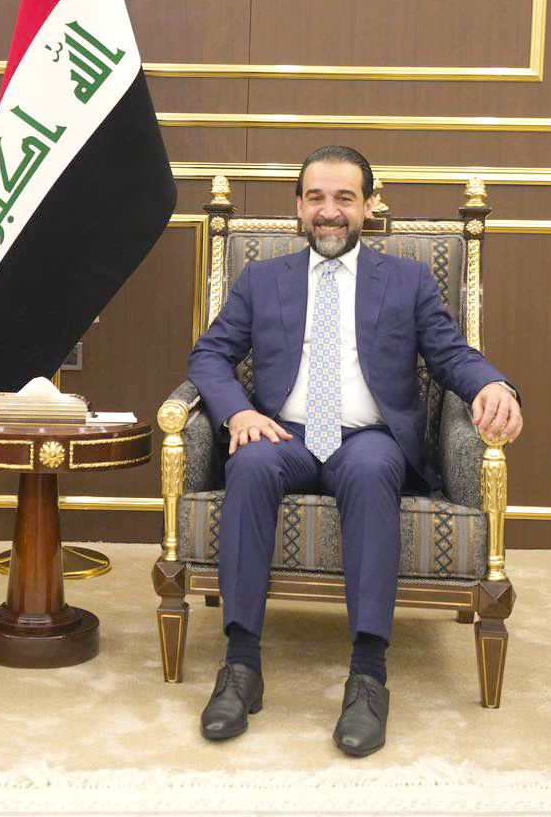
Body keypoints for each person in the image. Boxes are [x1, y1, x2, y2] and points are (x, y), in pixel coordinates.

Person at [186, 145, 522, 756]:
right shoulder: (263, 280)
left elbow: (450, 354)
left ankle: (368, 676)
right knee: (249, 464)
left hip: (367, 439)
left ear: (368, 205)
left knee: (370, 471)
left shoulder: (407, 281)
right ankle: (240, 667)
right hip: (284, 434)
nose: (329, 211)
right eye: (316, 197)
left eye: (344, 197)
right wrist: (239, 412)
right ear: (298, 207)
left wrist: (494, 385)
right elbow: (210, 354)